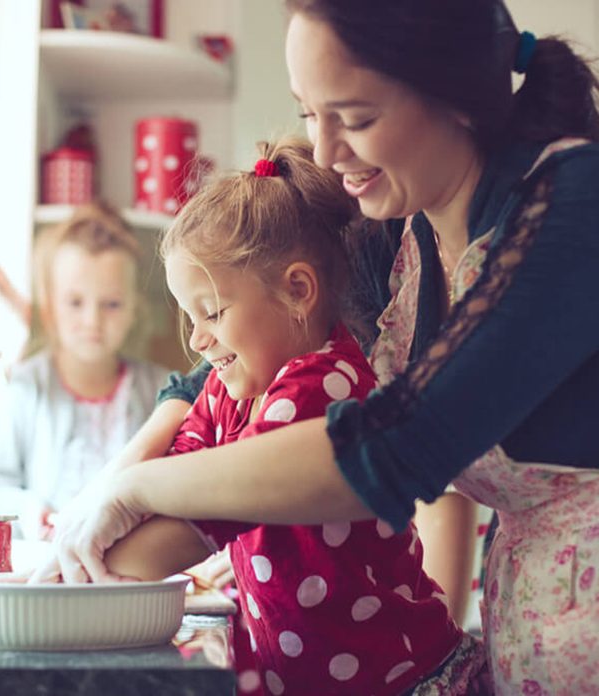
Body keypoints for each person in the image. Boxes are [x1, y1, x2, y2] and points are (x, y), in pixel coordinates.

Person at [35, 2, 599, 693]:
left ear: (455, 98)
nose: (328, 153)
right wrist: (104, 498)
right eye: (310, 113)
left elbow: (390, 449)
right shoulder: (397, 232)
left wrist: (136, 486)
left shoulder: (575, 209)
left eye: (356, 119)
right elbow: (216, 368)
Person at [98, 137, 486, 695]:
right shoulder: (234, 387)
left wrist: (87, 554)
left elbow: (200, 518)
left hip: (405, 683)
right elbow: (184, 456)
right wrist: (109, 509)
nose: (199, 339)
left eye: (213, 312)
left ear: (298, 290)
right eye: (190, 318)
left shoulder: (322, 387)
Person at [0, 202, 168, 540]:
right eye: (75, 302)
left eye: (111, 304)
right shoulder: (27, 386)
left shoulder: (162, 391)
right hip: (46, 563)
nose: (92, 321)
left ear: (132, 310)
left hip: (131, 563)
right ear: (49, 308)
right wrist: (33, 513)